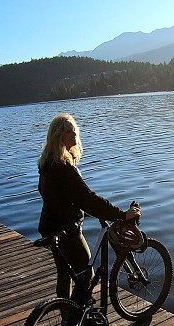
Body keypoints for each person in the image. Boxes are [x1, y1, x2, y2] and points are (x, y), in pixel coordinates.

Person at [37, 113, 140, 304]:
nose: (73, 134)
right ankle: (76, 320)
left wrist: (75, 205)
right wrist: (122, 215)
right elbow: (88, 199)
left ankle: (67, 319)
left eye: (74, 130)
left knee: (65, 274)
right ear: (57, 135)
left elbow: (62, 197)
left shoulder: (47, 163)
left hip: (49, 227)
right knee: (86, 274)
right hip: (67, 231)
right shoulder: (63, 167)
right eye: (68, 131)